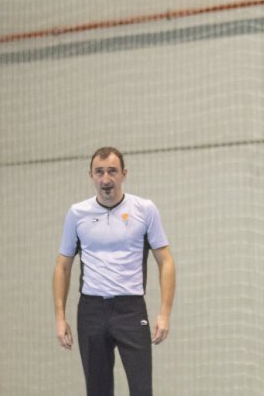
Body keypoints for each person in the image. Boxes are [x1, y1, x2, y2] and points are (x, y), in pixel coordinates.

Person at [54, 147, 175, 396]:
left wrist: (164, 313)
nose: (106, 179)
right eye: (99, 172)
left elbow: (166, 261)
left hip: (130, 310)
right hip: (91, 312)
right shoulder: (77, 214)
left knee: (142, 390)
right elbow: (62, 266)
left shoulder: (145, 209)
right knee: (98, 391)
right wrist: (59, 317)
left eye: (112, 171)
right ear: (91, 175)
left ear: (124, 174)